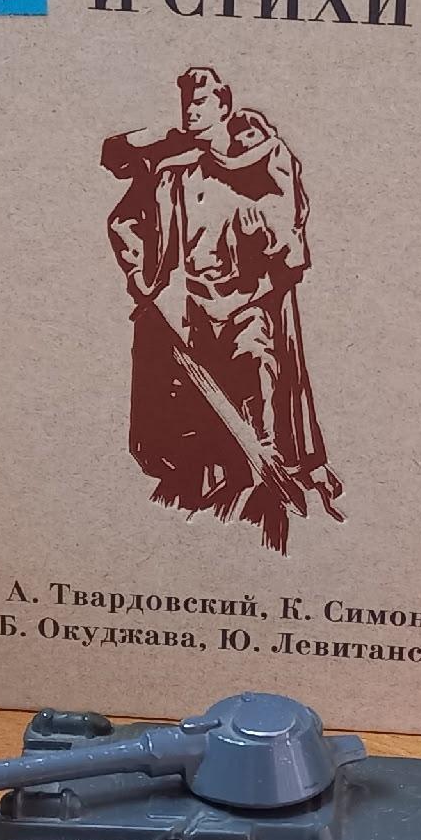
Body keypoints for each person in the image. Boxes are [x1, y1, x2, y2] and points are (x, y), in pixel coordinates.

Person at [103, 68, 343, 551]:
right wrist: (143, 280)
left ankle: (268, 482)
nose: (191, 111)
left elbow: (289, 233)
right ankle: (217, 497)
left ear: (224, 103)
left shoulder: (265, 155)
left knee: (256, 372)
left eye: (202, 102)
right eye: (187, 103)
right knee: (197, 408)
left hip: (250, 302)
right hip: (196, 306)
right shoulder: (176, 164)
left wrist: (265, 235)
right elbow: (119, 185)